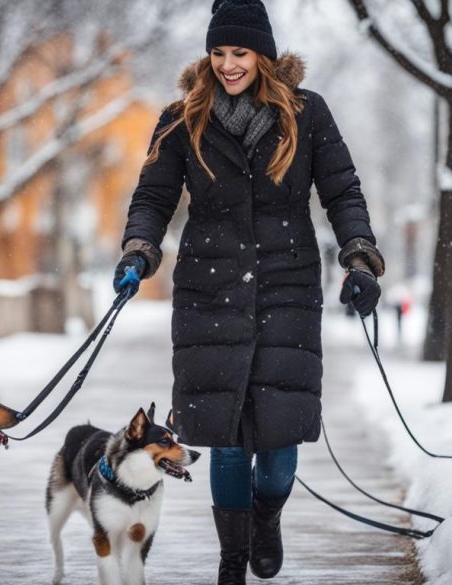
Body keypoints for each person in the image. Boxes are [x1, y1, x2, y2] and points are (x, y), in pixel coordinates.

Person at [112, 1, 385, 583]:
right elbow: (153, 199)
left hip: (287, 285)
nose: (228, 65)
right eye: (218, 53)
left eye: (239, 53)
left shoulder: (307, 115)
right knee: (227, 436)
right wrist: (139, 250)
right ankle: (231, 560)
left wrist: (359, 254)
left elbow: (342, 191)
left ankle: (267, 516)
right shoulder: (182, 118)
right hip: (209, 290)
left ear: (262, 53)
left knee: (280, 432)